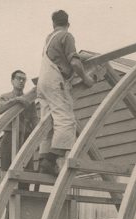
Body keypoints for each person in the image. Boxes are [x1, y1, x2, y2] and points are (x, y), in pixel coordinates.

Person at [36, 9, 95, 176]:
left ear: (53, 24)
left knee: (48, 122)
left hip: (43, 82)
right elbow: (74, 63)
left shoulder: (49, 38)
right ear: (68, 24)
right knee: (66, 120)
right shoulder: (67, 36)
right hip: (55, 81)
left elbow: (59, 57)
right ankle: (51, 160)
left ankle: (42, 160)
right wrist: (86, 78)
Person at [0, 70, 38, 172]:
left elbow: (34, 119)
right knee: (6, 168)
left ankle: (24, 188)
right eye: (18, 78)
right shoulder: (5, 97)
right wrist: (16, 100)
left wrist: (36, 140)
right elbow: (0, 109)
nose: (21, 81)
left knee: (26, 169)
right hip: (9, 136)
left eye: (23, 79)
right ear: (12, 81)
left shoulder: (29, 99)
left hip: (26, 137)